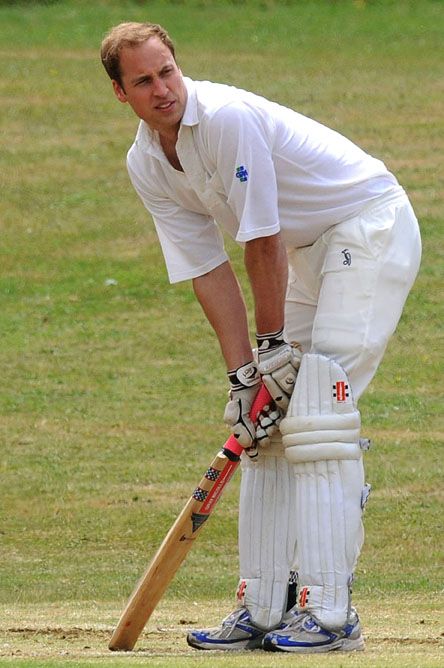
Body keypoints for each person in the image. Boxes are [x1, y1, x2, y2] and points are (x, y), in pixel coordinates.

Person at [100, 22, 421, 654]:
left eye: (167, 71)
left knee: (317, 408)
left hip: (368, 226)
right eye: (144, 81)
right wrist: (244, 372)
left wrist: (271, 345)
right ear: (121, 94)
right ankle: (264, 607)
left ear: (177, 64)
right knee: (263, 420)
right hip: (309, 254)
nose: (163, 89)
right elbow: (205, 270)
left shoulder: (225, 119)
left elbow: (261, 238)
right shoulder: (147, 163)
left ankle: (329, 614)